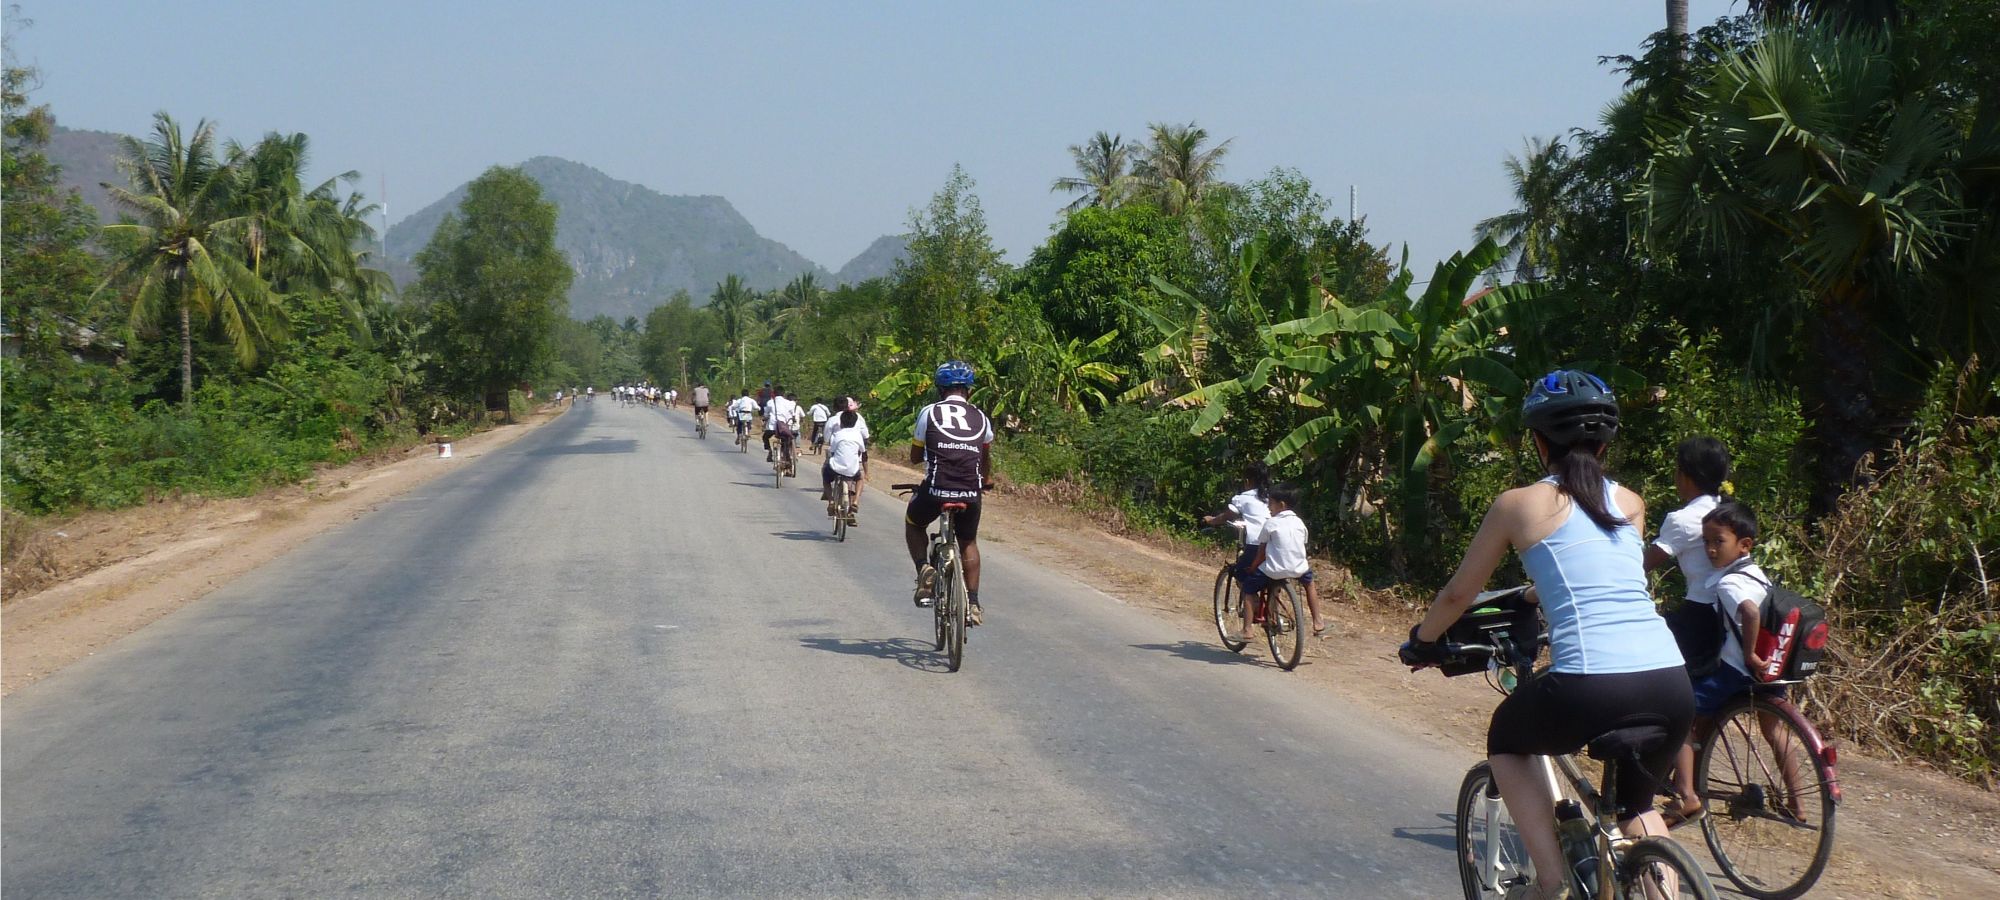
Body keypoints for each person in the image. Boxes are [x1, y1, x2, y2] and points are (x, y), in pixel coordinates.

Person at [1402, 369, 1691, 900]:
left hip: (1591, 682)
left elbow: (1457, 597)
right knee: (1639, 810)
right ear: (1604, 443)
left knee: (1507, 741)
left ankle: (1553, 880)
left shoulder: (1517, 504)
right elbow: (1607, 573)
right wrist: (1540, 593)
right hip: (1671, 681)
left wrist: (1422, 640)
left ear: (1539, 441)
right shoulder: (1629, 501)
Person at [1667, 499, 1806, 824]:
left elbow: (1750, 612)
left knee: (1681, 716)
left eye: (1719, 541)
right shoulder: (1758, 574)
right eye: (1706, 542)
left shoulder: (1728, 582)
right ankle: (1798, 804)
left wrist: (1748, 655)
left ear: (1744, 545)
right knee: (1775, 732)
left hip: (1736, 670)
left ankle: (1686, 796)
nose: (1711, 550)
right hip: (1769, 672)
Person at [905, 361, 995, 624]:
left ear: (940, 388)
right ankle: (974, 604)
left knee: (914, 523)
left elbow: (914, 457)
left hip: (936, 490)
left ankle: (924, 567)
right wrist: (986, 480)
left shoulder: (929, 412)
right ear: (968, 389)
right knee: (968, 542)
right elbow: (984, 455)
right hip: (970, 492)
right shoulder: (981, 416)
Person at [1238, 484, 1321, 633]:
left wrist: (1253, 567)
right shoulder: (1300, 523)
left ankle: (1247, 630)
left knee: (1248, 588)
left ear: (1281, 505)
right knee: (1309, 584)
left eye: (1270, 504)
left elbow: (1261, 552)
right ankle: (1318, 621)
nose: (1269, 507)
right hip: (1299, 567)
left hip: (1274, 569)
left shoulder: (1270, 523)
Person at [1203, 462, 1272, 637]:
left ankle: (1252, 610)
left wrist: (1211, 520)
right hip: (1276, 544)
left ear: (1247, 480)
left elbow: (1226, 516)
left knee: (1242, 574)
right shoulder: (1271, 497)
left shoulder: (1243, 498)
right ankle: (1272, 614)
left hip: (1256, 544)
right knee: (1269, 577)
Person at [824, 409, 868, 521]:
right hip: (852, 469)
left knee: (826, 478)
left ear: (841, 423)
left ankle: (831, 501)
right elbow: (862, 450)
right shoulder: (858, 435)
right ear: (855, 423)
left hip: (836, 467)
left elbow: (832, 450)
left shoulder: (838, 434)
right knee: (860, 478)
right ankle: (856, 501)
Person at [767, 387, 802, 466]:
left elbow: (766, 413)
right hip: (784, 427)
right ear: (783, 394)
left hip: (772, 427)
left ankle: (770, 451)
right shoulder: (788, 403)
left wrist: (765, 417)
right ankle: (787, 459)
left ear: (774, 394)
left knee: (765, 437)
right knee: (786, 442)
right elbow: (792, 414)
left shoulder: (770, 402)